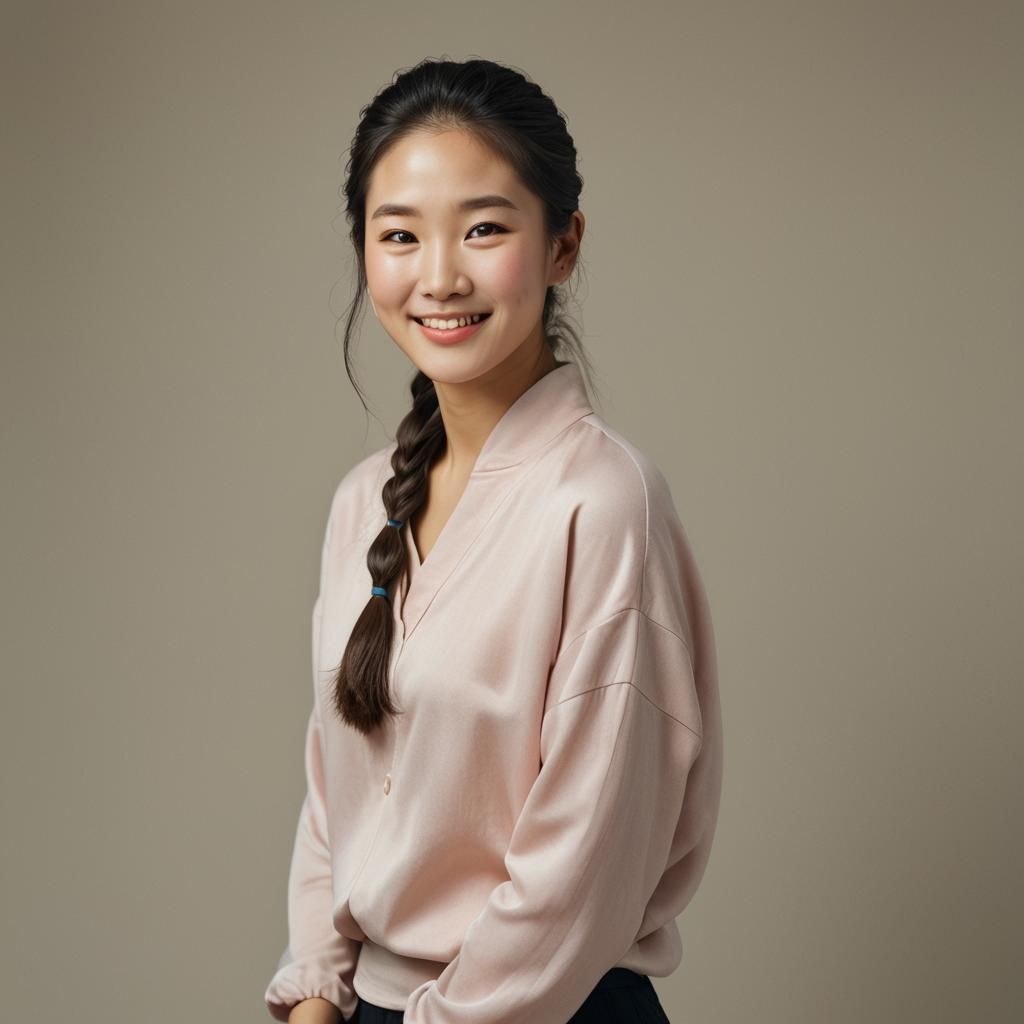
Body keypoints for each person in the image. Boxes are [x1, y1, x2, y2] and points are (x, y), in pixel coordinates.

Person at [264, 57, 723, 1024]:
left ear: (563, 245)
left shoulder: (604, 503)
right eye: (399, 235)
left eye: (483, 228)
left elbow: (577, 877)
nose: (440, 275)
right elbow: (334, 790)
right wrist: (315, 989)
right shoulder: (362, 504)